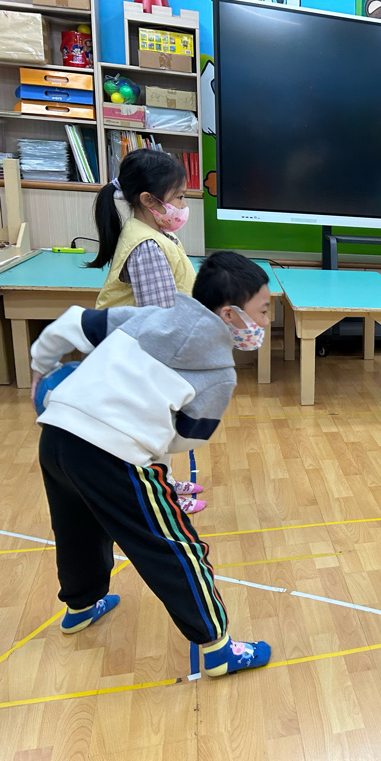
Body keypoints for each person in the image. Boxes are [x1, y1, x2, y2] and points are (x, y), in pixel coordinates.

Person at [31, 251, 272, 676]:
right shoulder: (220, 372)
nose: (266, 322)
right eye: (264, 310)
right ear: (230, 315)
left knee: (76, 527)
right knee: (176, 548)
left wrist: (42, 369)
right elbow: (188, 438)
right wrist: (150, 438)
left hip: (57, 433)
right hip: (115, 454)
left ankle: (81, 607)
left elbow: (72, 322)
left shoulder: (146, 317)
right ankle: (218, 649)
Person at [90, 149, 206, 510]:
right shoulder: (147, 247)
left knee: (160, 428)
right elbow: (159, 318)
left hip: (141, 354)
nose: (184, 206)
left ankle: (164, 482)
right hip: (138, 358)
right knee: (147, 431)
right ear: (149, 201)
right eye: (179, 197)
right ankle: (157, 500)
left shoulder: (153, 233)